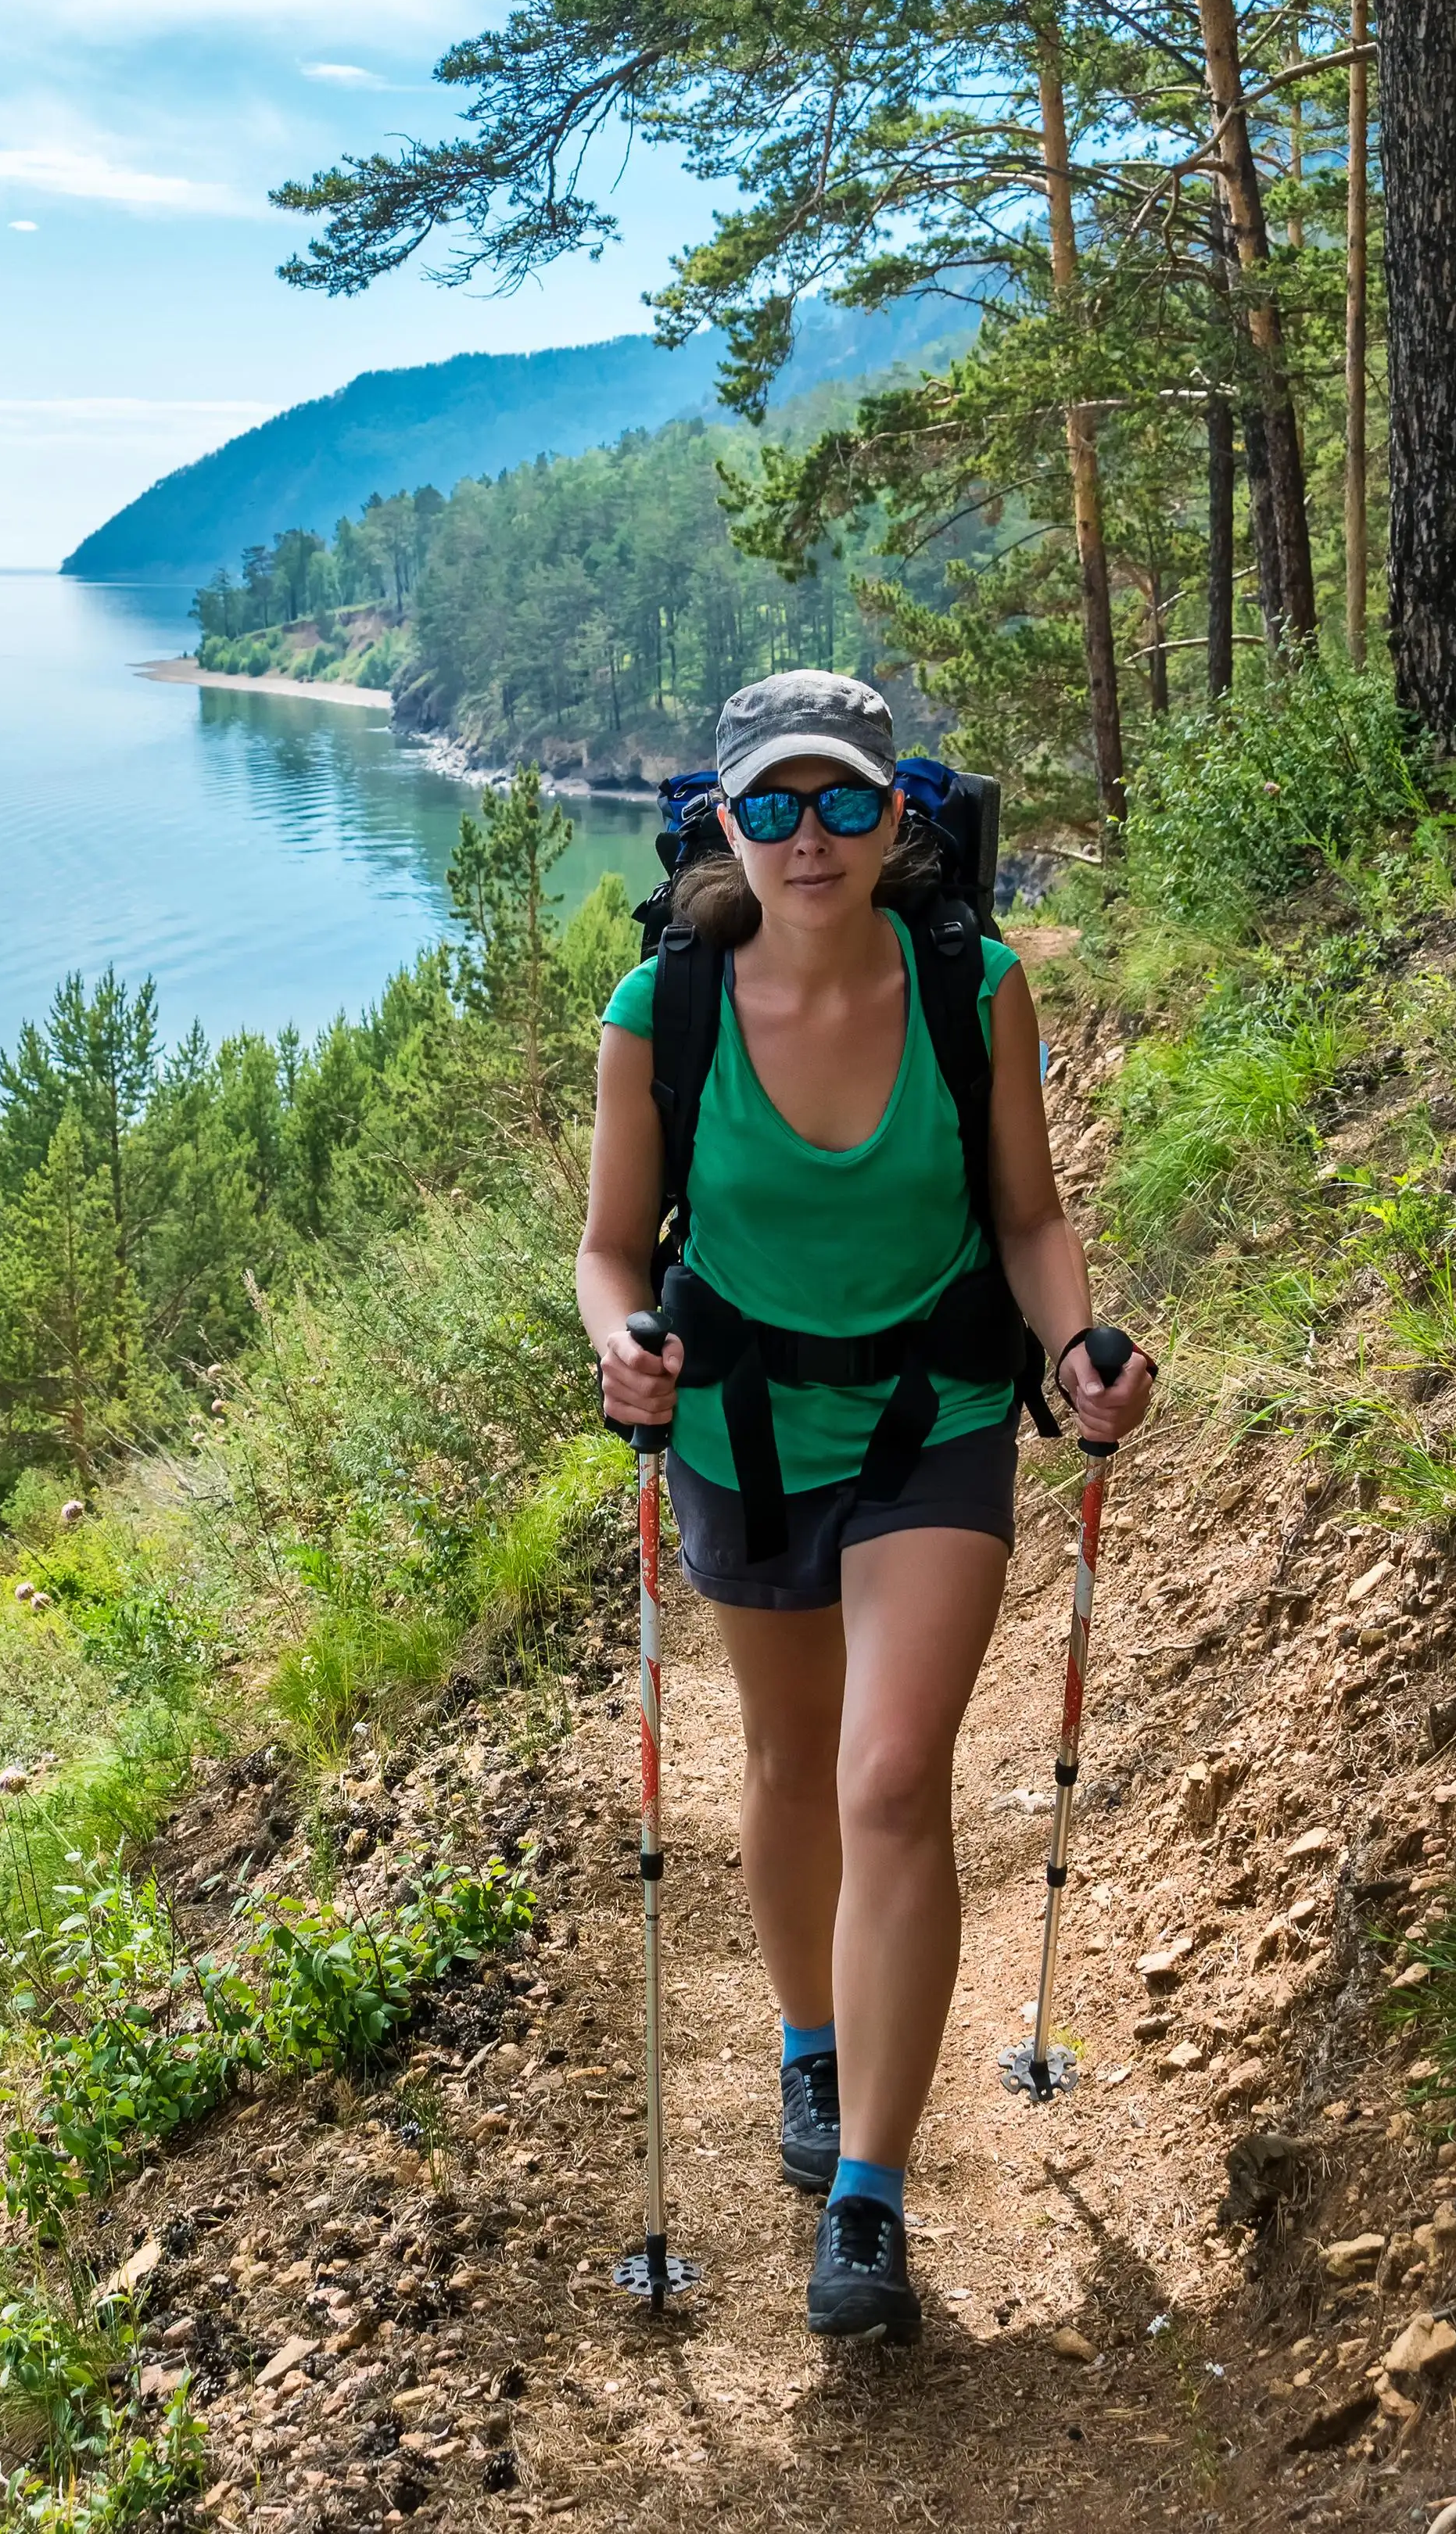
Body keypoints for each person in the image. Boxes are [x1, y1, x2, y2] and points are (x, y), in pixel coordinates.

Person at [578, 667, 1155, 2344]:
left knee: (889, 1776)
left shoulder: (975, 986)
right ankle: (808, 2043)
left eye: (842, 802)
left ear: (896, 817)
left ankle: (868, 2198)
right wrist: (621, 1339)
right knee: (782, 1762)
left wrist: (1075, 1346)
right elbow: (616, 1240)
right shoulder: (660, 1010)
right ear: (725, 826)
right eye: (771, 805)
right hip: (745, 1427)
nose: (808, 836)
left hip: (939, 1413)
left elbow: (1031, 1216)